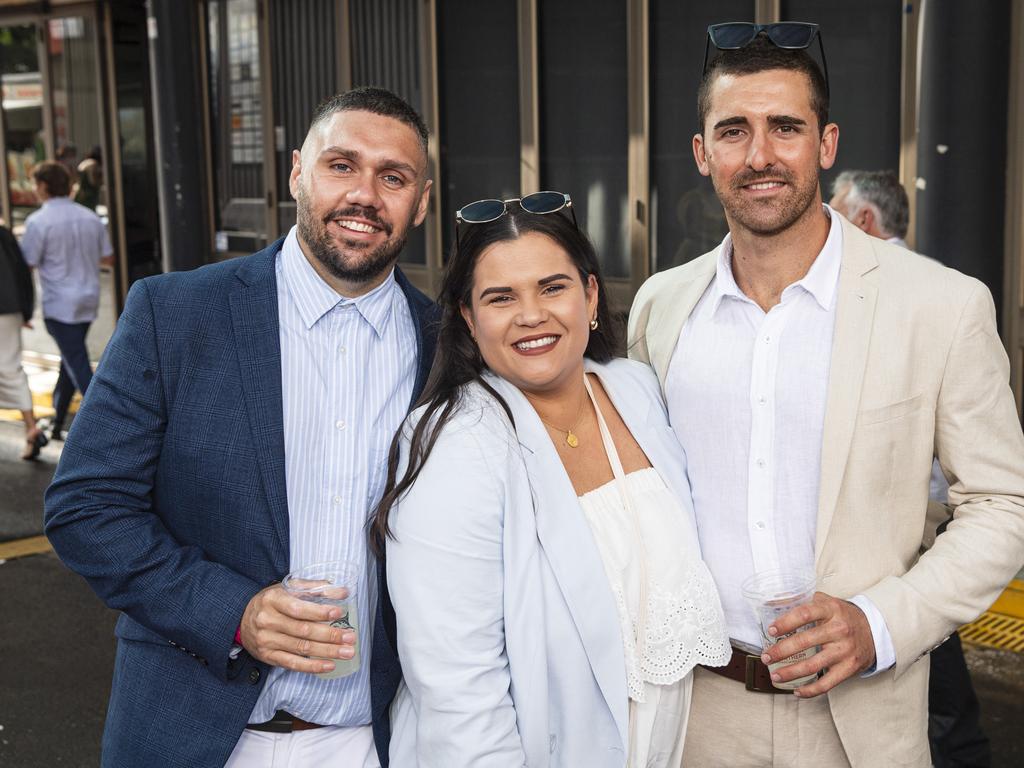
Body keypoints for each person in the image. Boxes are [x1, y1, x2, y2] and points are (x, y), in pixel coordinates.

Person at [628, 25, 1024, 768]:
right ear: (701, 152)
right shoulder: (660, 308)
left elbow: (1004, 503)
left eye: (787, 127)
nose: (761, 155)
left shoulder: (941, 305)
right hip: (696, 715)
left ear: (827, 142)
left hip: (862, 722)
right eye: (734, 130)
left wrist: (881, 622)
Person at [44, 87, 438, 768]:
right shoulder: (175, 315)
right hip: (194, 737)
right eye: (340, 166)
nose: (365, 195)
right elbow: (86, 507)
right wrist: (234, 612)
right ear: (295, 173)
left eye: (393, 176)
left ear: (422, 202)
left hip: (377, 744)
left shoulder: (447, 346)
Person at [375, 194, 730, 767]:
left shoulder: (634, 390)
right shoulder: (455, 444)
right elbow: (458, 689)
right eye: (500, 297)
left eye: (552, 287)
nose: (531, 314)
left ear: (590, 295)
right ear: (468, 317)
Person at [830, 167, 992, 767]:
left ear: (865, 222)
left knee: (933, 667)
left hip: (915, 534)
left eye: (837, 209)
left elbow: (1000, 494)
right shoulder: (927, 289)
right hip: (924, 529)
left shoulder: (929, 300)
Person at [20, 161, 113, 441]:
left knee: (77, 362)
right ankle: (58, 420)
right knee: (70, 360)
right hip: (88, 299)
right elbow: (108, 257)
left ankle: (108, 421)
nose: (34, 190)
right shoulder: (89, 217)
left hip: (59, 303)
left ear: (44, 186)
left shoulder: (38, 221)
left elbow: (27, 264)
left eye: (36, 184)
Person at [0, 222, 47, 459]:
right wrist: (25, 310)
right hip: (10, 310)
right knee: (11, 368)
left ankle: (31, 429)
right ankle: (31, 428)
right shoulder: (5, 235)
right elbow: (22, 274)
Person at [73, 146, 104, 211]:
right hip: (87, 194)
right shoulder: (92, 164)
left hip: (79, 192)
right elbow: (93, 181)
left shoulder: (86, 162)